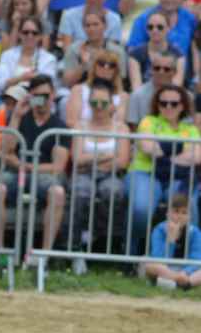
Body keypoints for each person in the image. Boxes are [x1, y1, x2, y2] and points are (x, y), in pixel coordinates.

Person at [0, 75, 70, 267]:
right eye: (37, 96)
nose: (42, 100)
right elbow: (5, 151)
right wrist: (16, 115)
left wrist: (26, 166)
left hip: (43, 176)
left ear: (53, 96)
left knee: (58, 193)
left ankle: (43, 256)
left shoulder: (60, 126)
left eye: (46, 95)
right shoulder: (20, 119)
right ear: (30, 97)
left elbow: (58, 166)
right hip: (16, 174)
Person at [125, 85, 201, 254]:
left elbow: (197, 156)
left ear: (182, 106)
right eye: (163, 103)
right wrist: (180, 152)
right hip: (145, 173)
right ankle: (132, 254)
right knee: (141, 209)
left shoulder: (190, 129)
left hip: (178, 179)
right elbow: (148, 147)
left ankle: (189, 258)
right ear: (157, 105)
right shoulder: (148, 121)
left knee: (189, 206)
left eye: (173, 103)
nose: (168, 107)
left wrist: (163, 154)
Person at [66, 79, 129, 269]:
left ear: (112, 105)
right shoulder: (80, 126)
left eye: (103, 103)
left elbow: (122, 161)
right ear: (89, 104)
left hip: (110, 176)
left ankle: (100, 243)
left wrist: (91, 158)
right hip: (83, 175)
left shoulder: (121, 128)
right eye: (94, 103)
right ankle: (75, 247)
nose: (99, 108)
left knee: (113, 192)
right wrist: (106, 156)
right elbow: (77, 158)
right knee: (81, 192)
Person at [140, 192, 201, 290]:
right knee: (148, 265)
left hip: (185, 270)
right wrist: (171, 241)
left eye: (184, 213)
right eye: (176, 212)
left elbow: (196, 259)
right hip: (165, 269)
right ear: (168, 213)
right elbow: (158, 258)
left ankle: (182, 284)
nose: (180, 216)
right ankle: (180, 283)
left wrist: (185, 272)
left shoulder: (195, 232)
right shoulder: (159, 230)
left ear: (189, 216)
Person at [56, 0, 123, 52]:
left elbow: (112, 51)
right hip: (74, 59)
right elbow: (67, 49)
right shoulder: (69, 15)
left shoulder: (115, 19)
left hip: (102, 61)